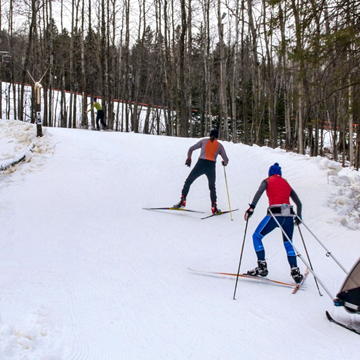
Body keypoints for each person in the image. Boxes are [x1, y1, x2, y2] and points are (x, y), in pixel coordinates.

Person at [244, 162, 304, 284]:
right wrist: (299, 216)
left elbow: (259, 192)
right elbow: (299, 203)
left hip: (274, 213)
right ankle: (295, 271)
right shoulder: (286, 183)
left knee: (256, 236)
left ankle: (262, 267)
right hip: (288, 214)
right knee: (288, 243)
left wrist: (251, 208)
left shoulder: (267, 181)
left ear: (270, 173)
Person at [173, 129, 229, 214]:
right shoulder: (219, 146)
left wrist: (189, 159)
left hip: (201, 164)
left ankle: (182, 200)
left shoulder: (203, 141)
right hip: (211, 166)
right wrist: (224, 163)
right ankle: (214, 207)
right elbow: (226, 160)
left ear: (210, 135)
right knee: (212, 187)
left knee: (188, 181)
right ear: (218, 136)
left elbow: (191, 149)